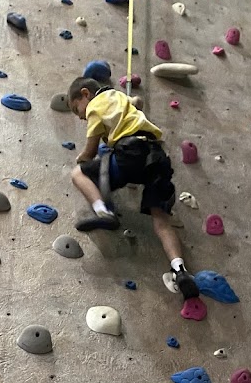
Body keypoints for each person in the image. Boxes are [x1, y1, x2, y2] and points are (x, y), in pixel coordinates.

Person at [67, 76, 200, 302]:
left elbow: (90, 152)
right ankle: (180, 270)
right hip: (157, 157)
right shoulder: (118, 97)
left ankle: (103, 211)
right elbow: (137, 102)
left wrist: (80, 159)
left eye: (76, 108)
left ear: (86, 94)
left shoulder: (95, 107)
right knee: (162, 222)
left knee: (78, 173)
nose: (81, 116)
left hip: (130, 154)